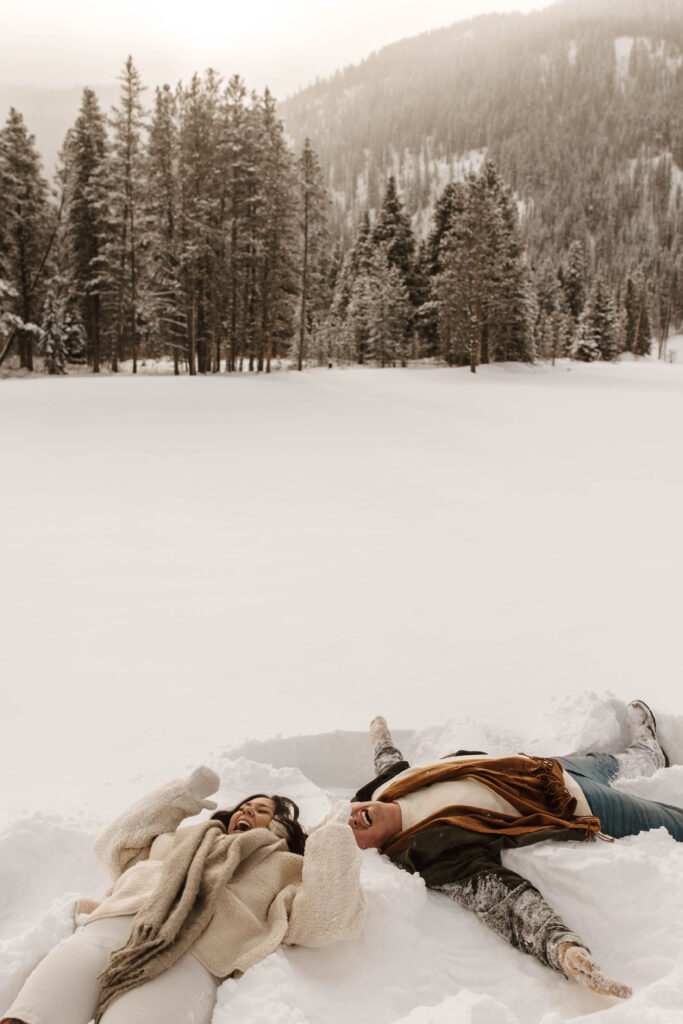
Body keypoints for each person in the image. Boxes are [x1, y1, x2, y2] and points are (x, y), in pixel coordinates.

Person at [347, 700, 681, 1000]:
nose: (352, 821)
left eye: (345, 817)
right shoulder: (429, 850)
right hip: (582, 805)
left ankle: (648, 754)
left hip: (545, 769)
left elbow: (388, 761)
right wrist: (562, 947)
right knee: (670, 821)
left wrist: (380, 737)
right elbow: (503, 900)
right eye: (349, 835)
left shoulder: (387, 789)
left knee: (609, 764)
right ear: (373, 852)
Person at [3, 767, 366, 1024]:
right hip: (108, 932)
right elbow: (114, 845)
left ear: (280, 826)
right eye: (243, 806)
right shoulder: (181, 840)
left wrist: (333, 840)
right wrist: (181, 798)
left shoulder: (288, 867)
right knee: (32, 1017)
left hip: (193, 960)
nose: (246, 811)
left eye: (260, 811)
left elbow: (324, 921)